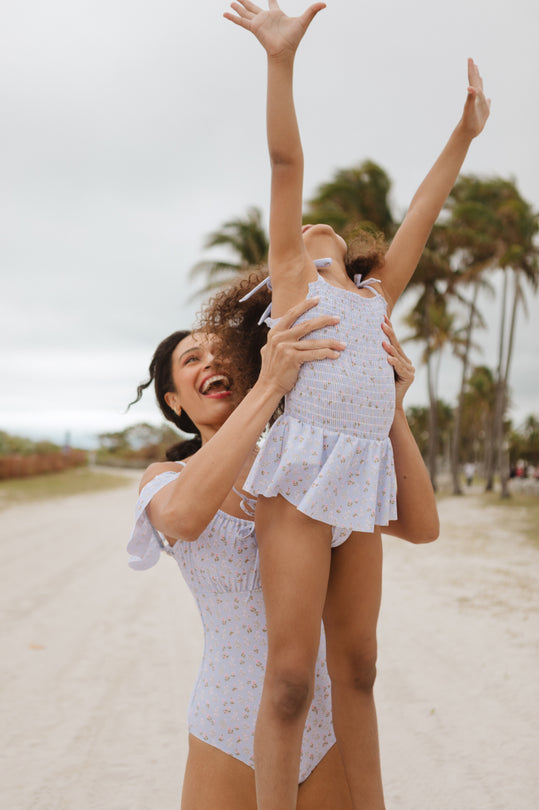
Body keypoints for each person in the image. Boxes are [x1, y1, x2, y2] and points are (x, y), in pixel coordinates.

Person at [223, 2, 490, 807]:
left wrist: (465, 133)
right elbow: (284, 167)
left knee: (362, 668)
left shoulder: (376, 297)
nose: (317, 224)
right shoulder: (296, 286)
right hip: (303, 473)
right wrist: (280, 60)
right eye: (304, 229)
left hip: (363, 480)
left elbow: (423, 213)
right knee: (293, 679)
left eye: (329, 229)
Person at [127, 299, 438, 810]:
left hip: (324, 727)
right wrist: (271, 387)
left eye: (220, 355)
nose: (210, 364)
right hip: (228, 724)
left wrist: (392, 407)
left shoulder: (306, 471)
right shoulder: (166, 479)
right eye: (192, 360)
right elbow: (183, 519)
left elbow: (422, 525)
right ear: (173, 401)